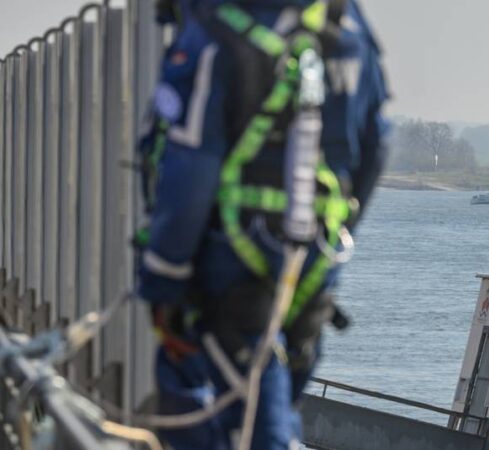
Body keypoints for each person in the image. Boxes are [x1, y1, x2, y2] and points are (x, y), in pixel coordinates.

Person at [137, 0, 389, 449]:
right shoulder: (347, 24)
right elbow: (375, 144)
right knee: (276, 393)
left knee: (211, 393)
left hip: (234, 254)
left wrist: (164, 277)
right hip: (315, 258)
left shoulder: (215, 29)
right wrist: (339, 231)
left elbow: (191, 167)